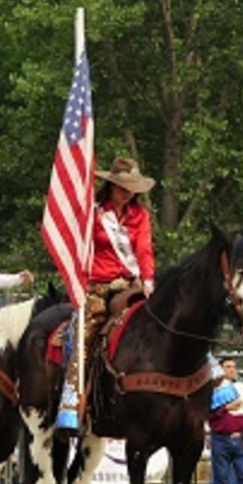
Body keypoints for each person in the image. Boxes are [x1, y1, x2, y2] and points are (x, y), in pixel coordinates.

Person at [57, 157, 157, 431]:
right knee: (84, 332)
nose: (127, 192)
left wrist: (148, 280)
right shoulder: (94, 213)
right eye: (122, 187)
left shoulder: (140, 216)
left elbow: (144, 250)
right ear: (110, 186)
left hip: (131, 285)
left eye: (131, 188)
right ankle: (70, 398)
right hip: (98, 286)